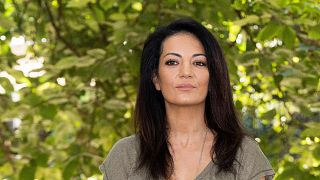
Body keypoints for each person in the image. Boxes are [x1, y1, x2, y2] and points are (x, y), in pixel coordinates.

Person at [99, 18, 275, 180]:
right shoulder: (125, 155)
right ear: (156, 79)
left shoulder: (244, 154)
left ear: (212, 77)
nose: (186, 73)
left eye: (199, 63)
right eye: (172, 62)